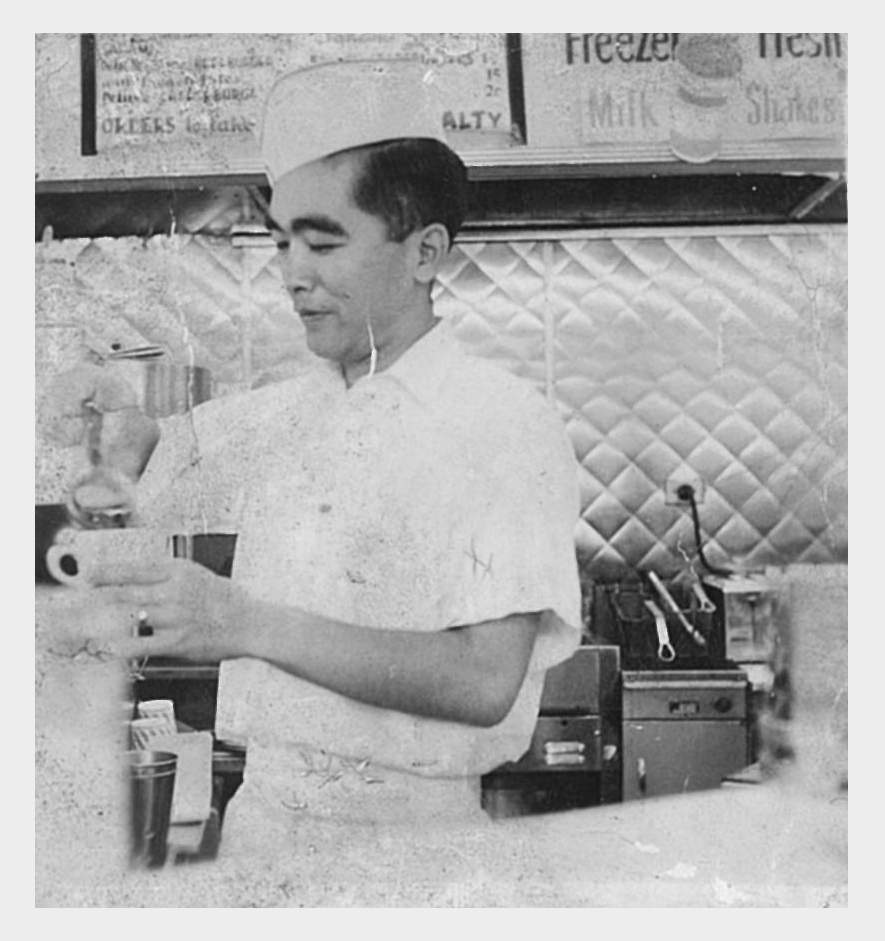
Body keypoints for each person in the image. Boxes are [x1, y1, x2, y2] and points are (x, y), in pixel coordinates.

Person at [42, 60, 582, 853]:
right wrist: (112, 424)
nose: (293, 275)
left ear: (424, 252)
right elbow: (153, 458)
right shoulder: (287, 412)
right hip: (263, 825)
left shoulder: (503, 425)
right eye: (282, 242)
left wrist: (242, 621)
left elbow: (482, 679)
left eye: (323, 243)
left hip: (410, 854)